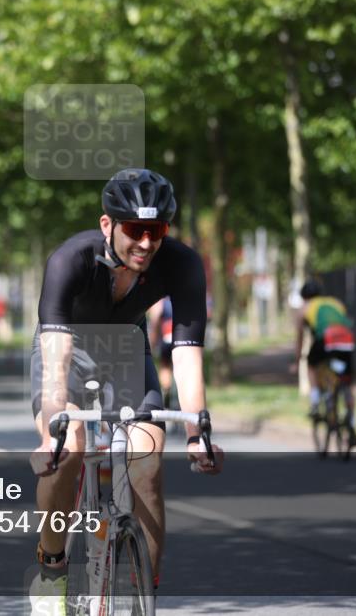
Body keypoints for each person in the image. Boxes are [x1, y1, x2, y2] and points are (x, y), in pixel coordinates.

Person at [29, 168, 223, 612]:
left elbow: (187, 351)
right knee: (69, 448)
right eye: (135, 230)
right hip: (67, 349)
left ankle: (142, 594)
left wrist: (197, 433)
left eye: (156, 231)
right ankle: (51, 567)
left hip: (126, 353)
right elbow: (56, 358)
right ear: (107, 225)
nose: (146, 243)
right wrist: (51, 433)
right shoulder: (69, 260)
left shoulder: (182, 263)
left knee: (148, 461)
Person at [290, 280, 356, 447]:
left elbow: (300, 338)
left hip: (325, 340)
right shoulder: (336, 302)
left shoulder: (304, 309)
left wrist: (297, 358)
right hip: (346, 339)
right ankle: (352, 423)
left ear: (303, 297)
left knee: (311, 364)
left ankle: (315, 401)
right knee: (347, 381)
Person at [147, 296, 175, 407]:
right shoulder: (180, 297)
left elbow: (156, 320)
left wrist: (152, 344)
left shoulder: (160, 301)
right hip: (180, 338)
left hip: (166, 338)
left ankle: (166, 391)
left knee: (165, 366)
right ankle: (175, 393)